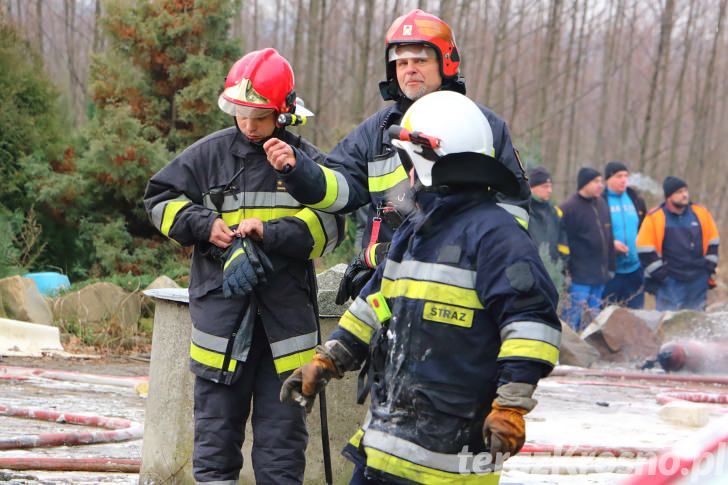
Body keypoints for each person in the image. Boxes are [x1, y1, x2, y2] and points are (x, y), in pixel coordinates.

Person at [280, 91, 561, 484]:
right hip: (383, 448)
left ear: (431, 161)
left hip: (452, 462)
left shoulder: (498, 239)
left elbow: (532, 326)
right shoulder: (414, 231)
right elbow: (375, 304)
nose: (405, 173)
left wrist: (511, 405)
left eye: (409, 160)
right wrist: (330, 358)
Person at [143, 48, 343, 485]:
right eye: (241, 114)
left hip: (285, 335)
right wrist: (206, 226)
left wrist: (270, 236)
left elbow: (331, 223)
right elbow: (159, 199)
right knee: (214, 449)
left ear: (284, 112)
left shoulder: (306, 164)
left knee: (282, 453)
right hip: (221, 329)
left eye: (260, 115)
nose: (249, 125)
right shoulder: (208, 155)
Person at [263, 9, 530, 304]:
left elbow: (514, 208)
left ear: (447, 63)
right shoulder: (376, 131)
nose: (409, 69)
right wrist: (298, 169)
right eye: (401, 62)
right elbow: (341, 189)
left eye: (420, 60)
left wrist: (486, 260)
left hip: (461, 289)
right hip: (386, 285)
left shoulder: (484, 127)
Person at [636, 176, 719, 311]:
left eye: (685, 190)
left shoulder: (701, 213)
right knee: (668, 324)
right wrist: (661, 274)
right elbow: (644, 248)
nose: (685, 195)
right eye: (679, 192)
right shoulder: (654, 217)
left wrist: (708, 268)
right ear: (669, 196)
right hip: (670, 282)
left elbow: (713, 240)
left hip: (698, 279)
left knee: (696, 322)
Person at [560, 167, 615, 331]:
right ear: (584, 184)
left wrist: (611, 266)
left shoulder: (602, 204)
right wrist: (567, 273)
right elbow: (563, 243)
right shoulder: (569, 208)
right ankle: (566, 353)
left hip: (600, 276)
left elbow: (609, 237)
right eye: (596, 181)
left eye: (601, 181)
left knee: (592, 321)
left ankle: (588, 352)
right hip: (579, 277)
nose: (601, 185)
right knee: (572, 318)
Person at [601, 161, 647, 309]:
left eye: (626, 176)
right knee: (607, 315)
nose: (623, 180)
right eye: (618, 176)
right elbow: (595, 232)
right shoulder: (600, 201)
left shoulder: (636, 199)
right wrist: (611, 244)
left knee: (636, 315)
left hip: (635, 269)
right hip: (610, 271)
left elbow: (644, 228)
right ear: (608, 179)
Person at [527, 166, 569, 265]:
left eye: (550, 186)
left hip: (553, 273)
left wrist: (562, 264)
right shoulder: (523, 212)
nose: (549, 190)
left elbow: (563, 242)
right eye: (545, 186)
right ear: (531, 188)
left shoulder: (555, 212)